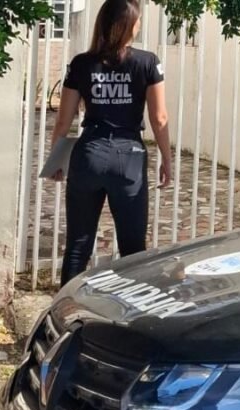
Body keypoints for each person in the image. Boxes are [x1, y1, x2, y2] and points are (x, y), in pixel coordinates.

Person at [49, 0, 172, 286]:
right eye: (137, 20)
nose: (139, 25)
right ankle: (133, 308)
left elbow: (63, 121)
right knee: (133, 249)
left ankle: (64, 307)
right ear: (127, 26)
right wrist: (166, 159)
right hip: (128, 157)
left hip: (89, 154)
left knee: (78, 246)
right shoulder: (147, 62)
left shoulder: (81, 64)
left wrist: (56, 161)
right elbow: (159, 118)